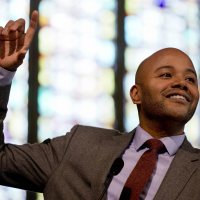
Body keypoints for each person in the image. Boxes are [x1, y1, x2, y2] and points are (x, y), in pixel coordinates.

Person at [0, 10, 200, 200]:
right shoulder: (78, 146)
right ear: (136, 94)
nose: (182, 83)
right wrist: (3, 73)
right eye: (166, 74)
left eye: (191, 79)